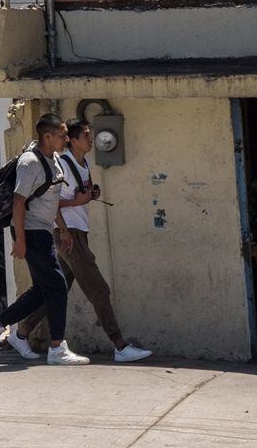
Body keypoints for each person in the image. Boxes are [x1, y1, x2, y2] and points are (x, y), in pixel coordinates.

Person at [15, 119, 153, 364]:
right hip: (69, 233)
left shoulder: (83, 163)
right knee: (98, 289)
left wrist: (90, 195)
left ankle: (21, 332)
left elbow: (77, 194)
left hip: (79, 231)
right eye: (87, 136)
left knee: (56, 289)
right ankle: (120, 345)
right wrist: (69, 221)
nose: (91, 140)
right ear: (72, 140)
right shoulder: (64, 164)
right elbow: (52, 202)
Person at [0, 113, 87, 365]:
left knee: (43, 289)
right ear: (47, 136)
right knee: (58, 286)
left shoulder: (55, 160)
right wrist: (19, 240)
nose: (66, 140)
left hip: (44, 230)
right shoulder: (30, 163)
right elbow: (19, 201)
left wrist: (62, 229)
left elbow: (51, 200)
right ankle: (57, 348)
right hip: (30, 232)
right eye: (61, 136)